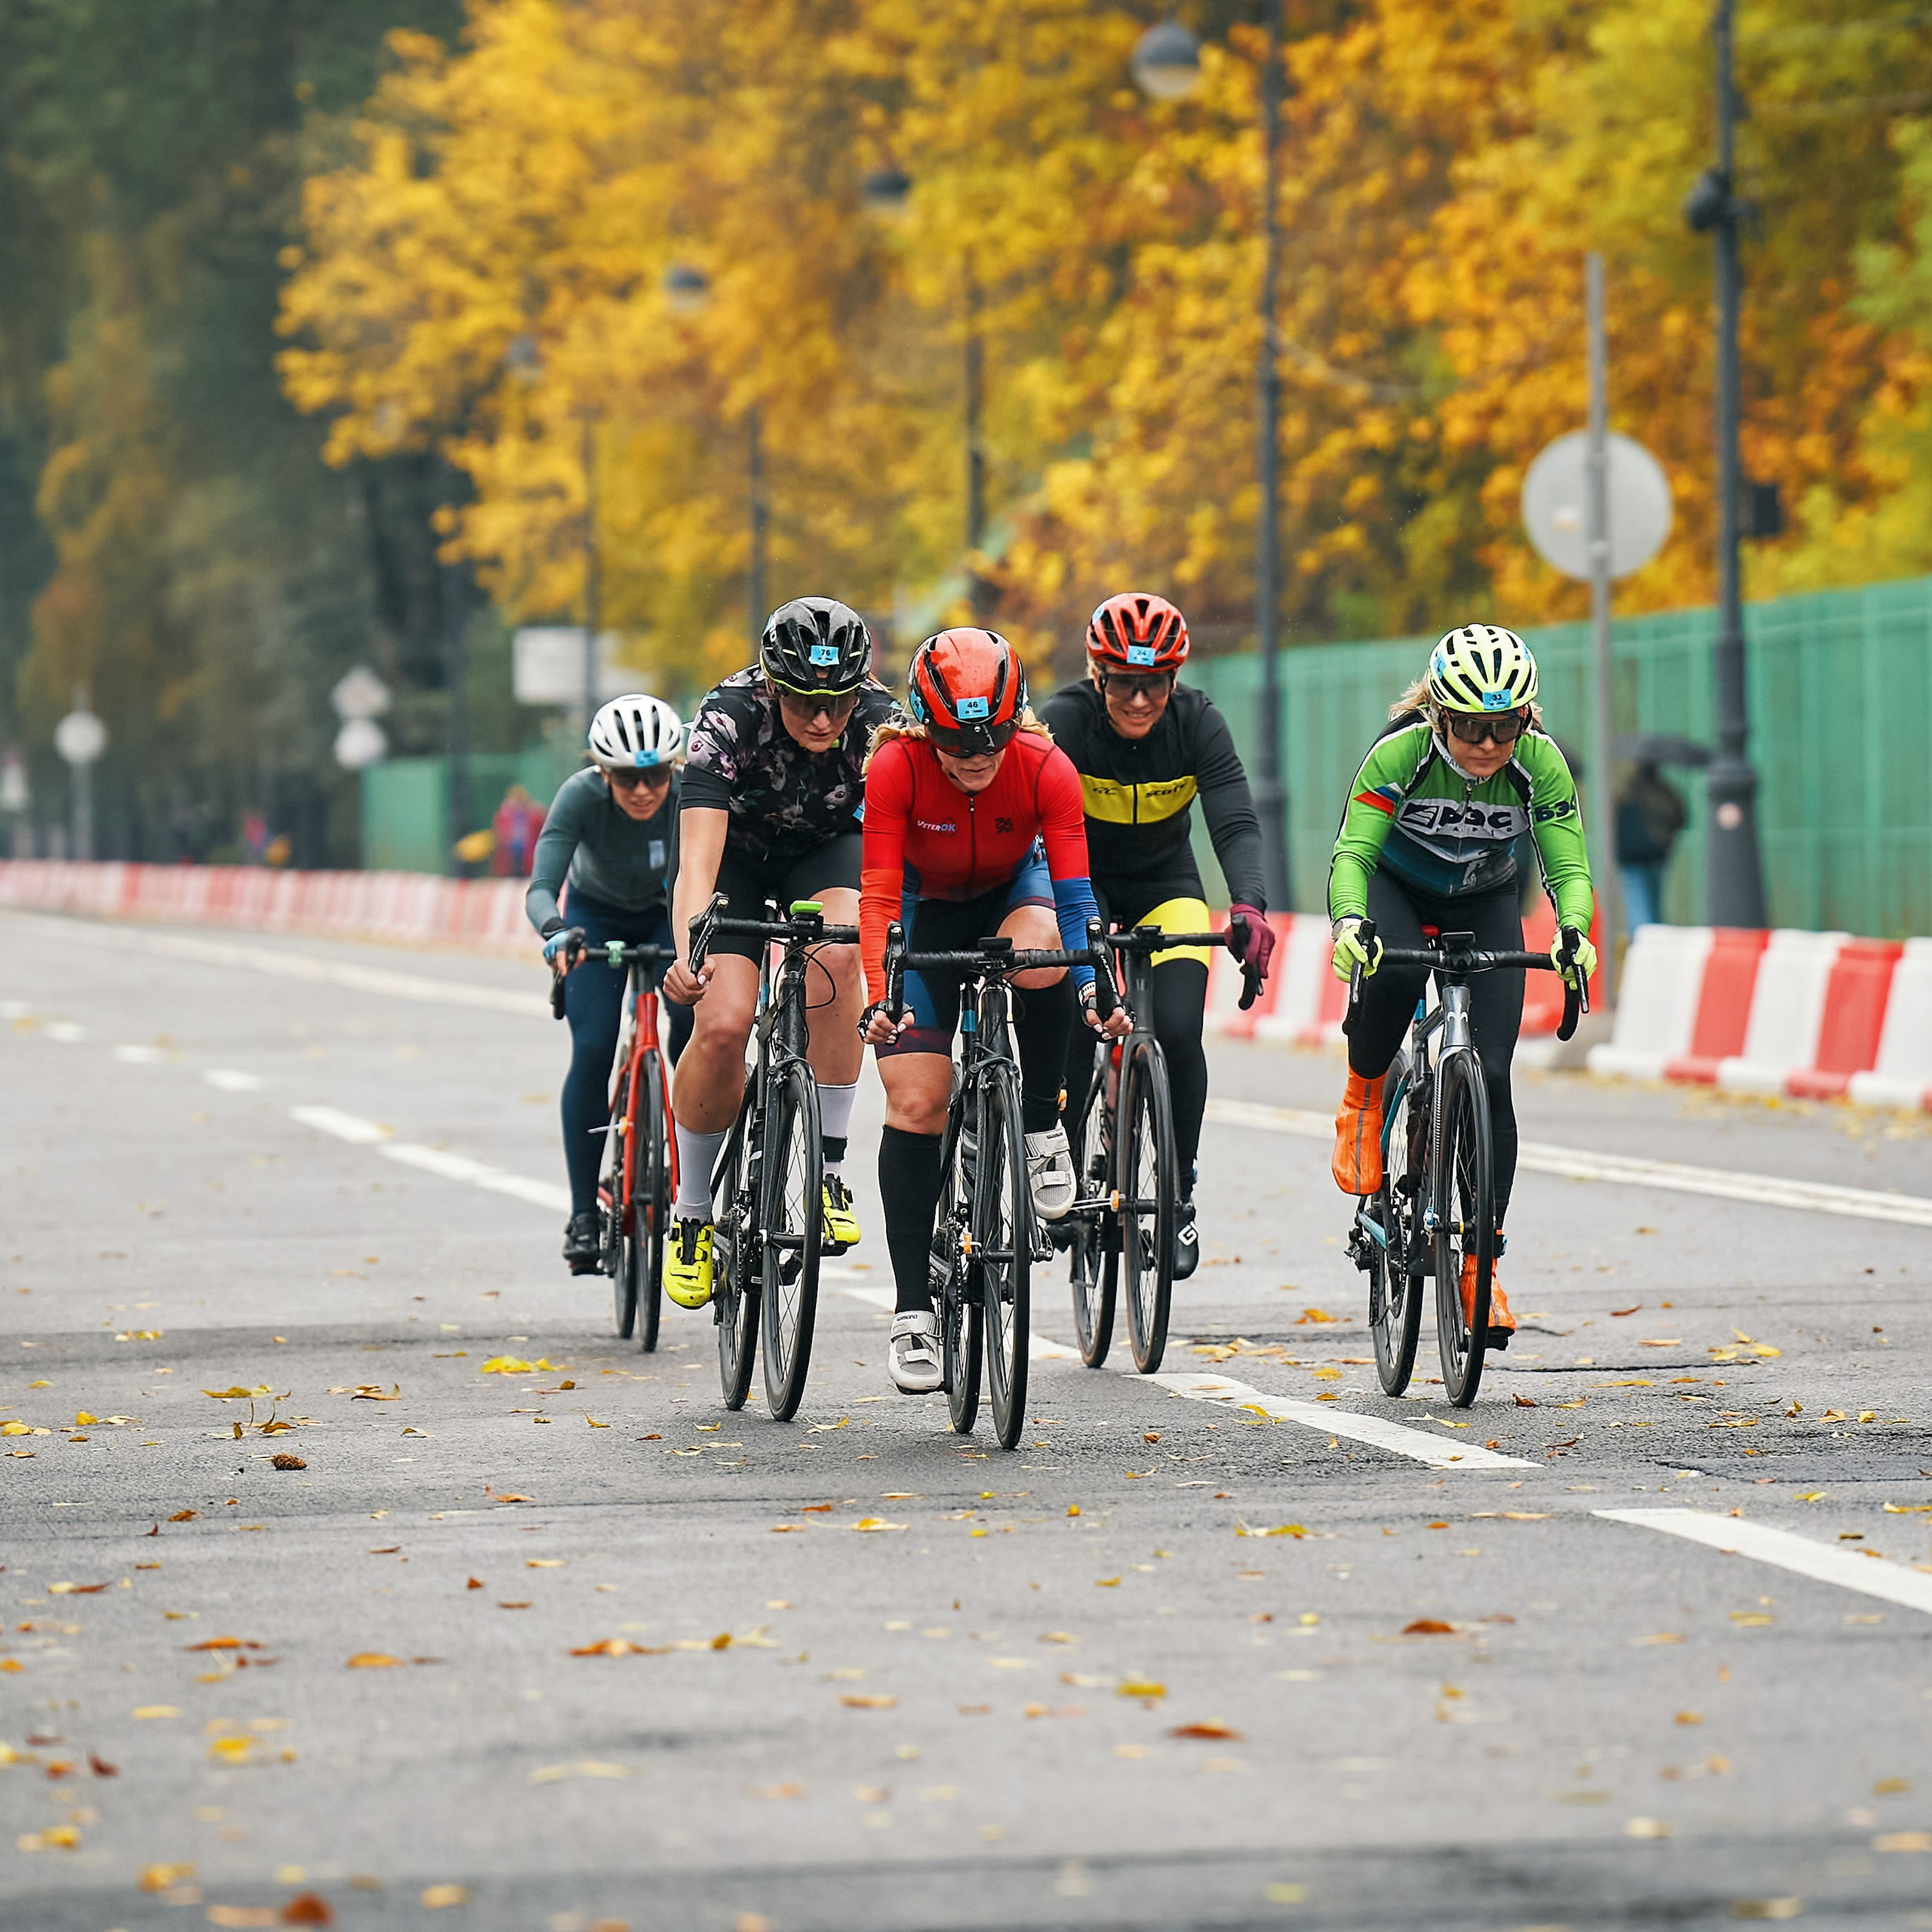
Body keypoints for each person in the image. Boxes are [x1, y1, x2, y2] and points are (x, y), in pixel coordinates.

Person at [858, 627, 1131, 1395]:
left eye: (991, 740)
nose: (975, 758)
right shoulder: (894, 767)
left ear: (1017, 721)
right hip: (923, 909)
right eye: (955, 743)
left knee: (1042, 950)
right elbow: (878, 895)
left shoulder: (1046, 765)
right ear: (924, 727)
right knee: (917, 1102)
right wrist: (881, 991)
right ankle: (913, 1311)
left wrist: (1094, 985)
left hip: (1014, 895)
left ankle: (1041, 1126)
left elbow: (1075, 897)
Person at [1327, 625, 1595, 1348]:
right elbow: (1353, 854)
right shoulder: (1401, 753)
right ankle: (1363, 1098)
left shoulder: (1539, 763)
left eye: (1505, 727)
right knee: (1395, 969)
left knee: (1494, 1076)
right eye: (1471, 727)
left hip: (1484, 895)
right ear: (1439, 715)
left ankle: (1482, 1263)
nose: (1487, 744)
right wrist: (1350, 922)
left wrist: (1572, 932)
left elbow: (1569, 868)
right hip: (1396, 886)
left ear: (1525, 719)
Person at [662, 598, 902, 1309]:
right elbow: (697, 864)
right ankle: (692, 1214)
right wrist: (690, 955)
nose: (823, 720)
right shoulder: (728, 717)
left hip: (824, 852)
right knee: (724, 1023)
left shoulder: (882, 723)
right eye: (803, 701)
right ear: (772, 685)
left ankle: (828, 1170)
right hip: (735, 858)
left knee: (840, 957)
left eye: (837, 702)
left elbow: (897, 856)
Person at [1041, 592, 1275, 1280]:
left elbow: (1234, 821)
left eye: (1155, 684)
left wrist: (1249, 904)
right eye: (1123, 684)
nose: (1140, 701)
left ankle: (1178, 1191)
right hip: (1083, 885)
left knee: (1177, 1029)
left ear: (1174, 680)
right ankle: (1063, 1160)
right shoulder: (1066, 722)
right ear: (1097, 676)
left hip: (1167, 884)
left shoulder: (1198, 722)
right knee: (1079, 1021)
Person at [526, 694, 690, 1274]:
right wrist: (556, 932)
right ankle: (582, 1215)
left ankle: (690, 1167)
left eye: (655, 776)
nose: (642, 790)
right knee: (594, 1046)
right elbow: (541, 887)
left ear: (673, 769)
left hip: (670, 915)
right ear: (602, 772)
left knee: (694, 1026)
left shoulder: (692, 793)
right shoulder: (580, 797)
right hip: (595, 917)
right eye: (626, 778)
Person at [1616, 757, 1686, 931]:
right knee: (1653, 902)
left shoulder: (1626, 792)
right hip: (1656, 854)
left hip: (1631, 857)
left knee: (1637, 903)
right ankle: (1653, 938)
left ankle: (1643, 938)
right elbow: (1680, 817)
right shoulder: (1663, 793)